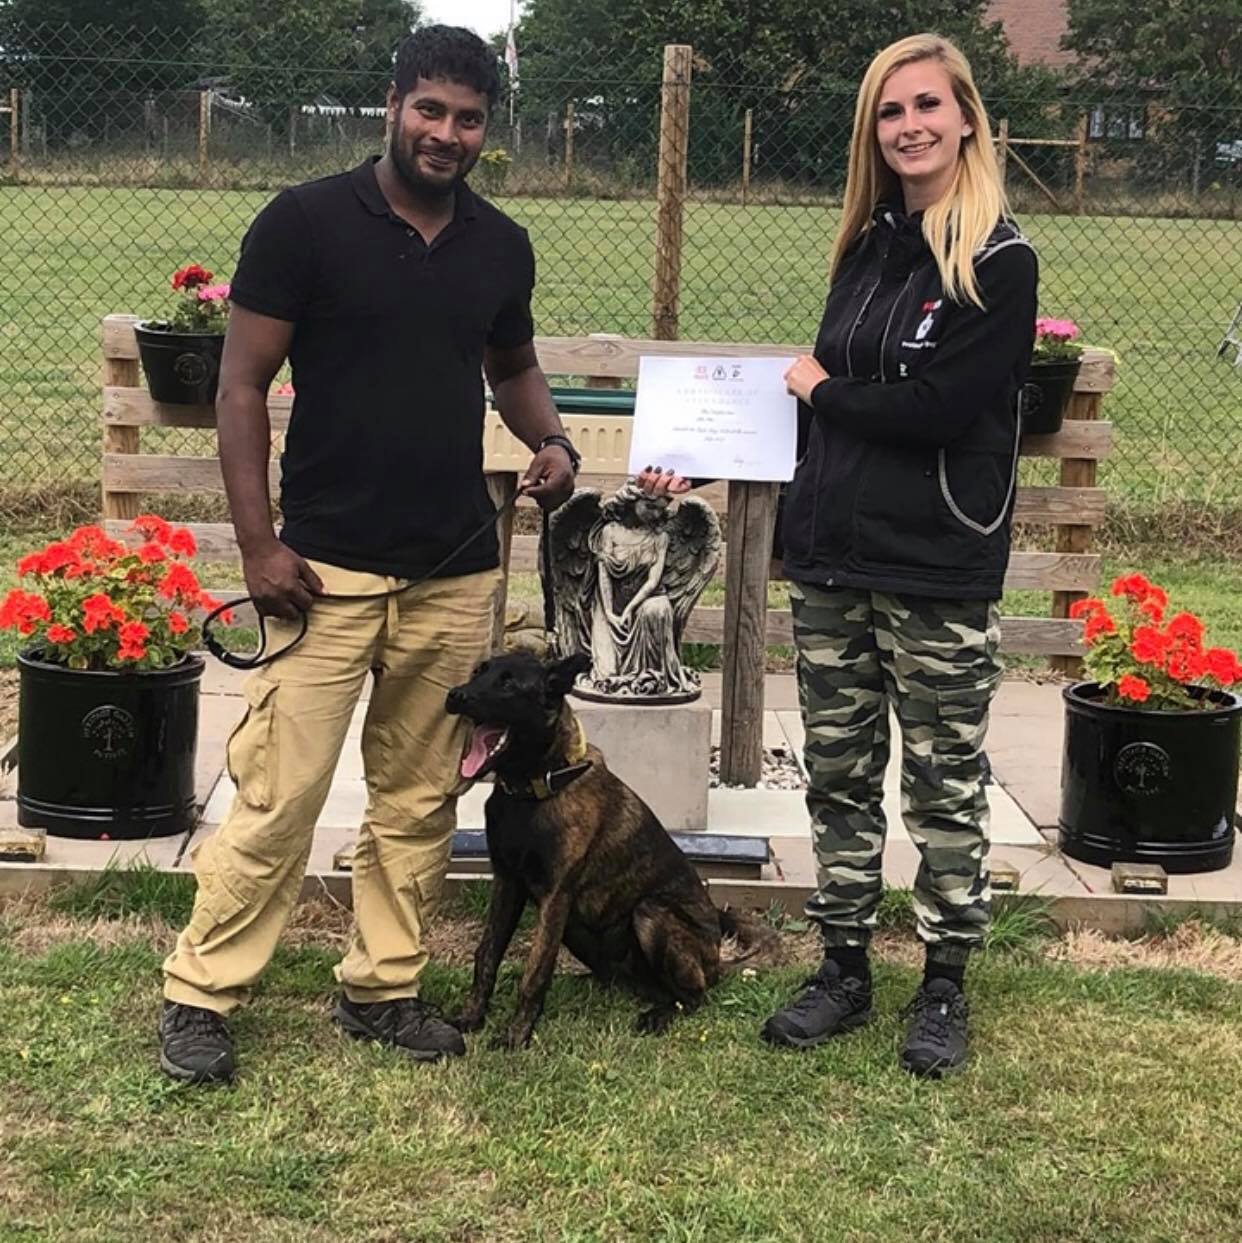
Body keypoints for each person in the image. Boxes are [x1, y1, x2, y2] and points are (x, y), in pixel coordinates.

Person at [159, 25, 580, 1084]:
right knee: (279, 795)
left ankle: (382, 987)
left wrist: (554, 440)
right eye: (429, 109)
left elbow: (512, 366)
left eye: (469, 118)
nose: (446, 134)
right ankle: (202, 993)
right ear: (392, 103)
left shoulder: (499, 244)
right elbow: (241, 387)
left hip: (454, 568)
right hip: (322, 570)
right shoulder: (303, 223)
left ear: (490, 128)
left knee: (420, 797)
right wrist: (260, 543)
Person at [641, 33, 1037, 1077]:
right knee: (841, 774)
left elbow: (938, 407)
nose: (908, 126)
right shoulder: (866, 247)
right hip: (831, 558)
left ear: (964, 119)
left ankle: (945, 979)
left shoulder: (999, 258)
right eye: (889, 112)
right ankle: (846, 965)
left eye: (925, 107)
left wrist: (817, 391)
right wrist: (707, 458)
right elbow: (817, 411)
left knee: (947, 780)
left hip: (936, 564)